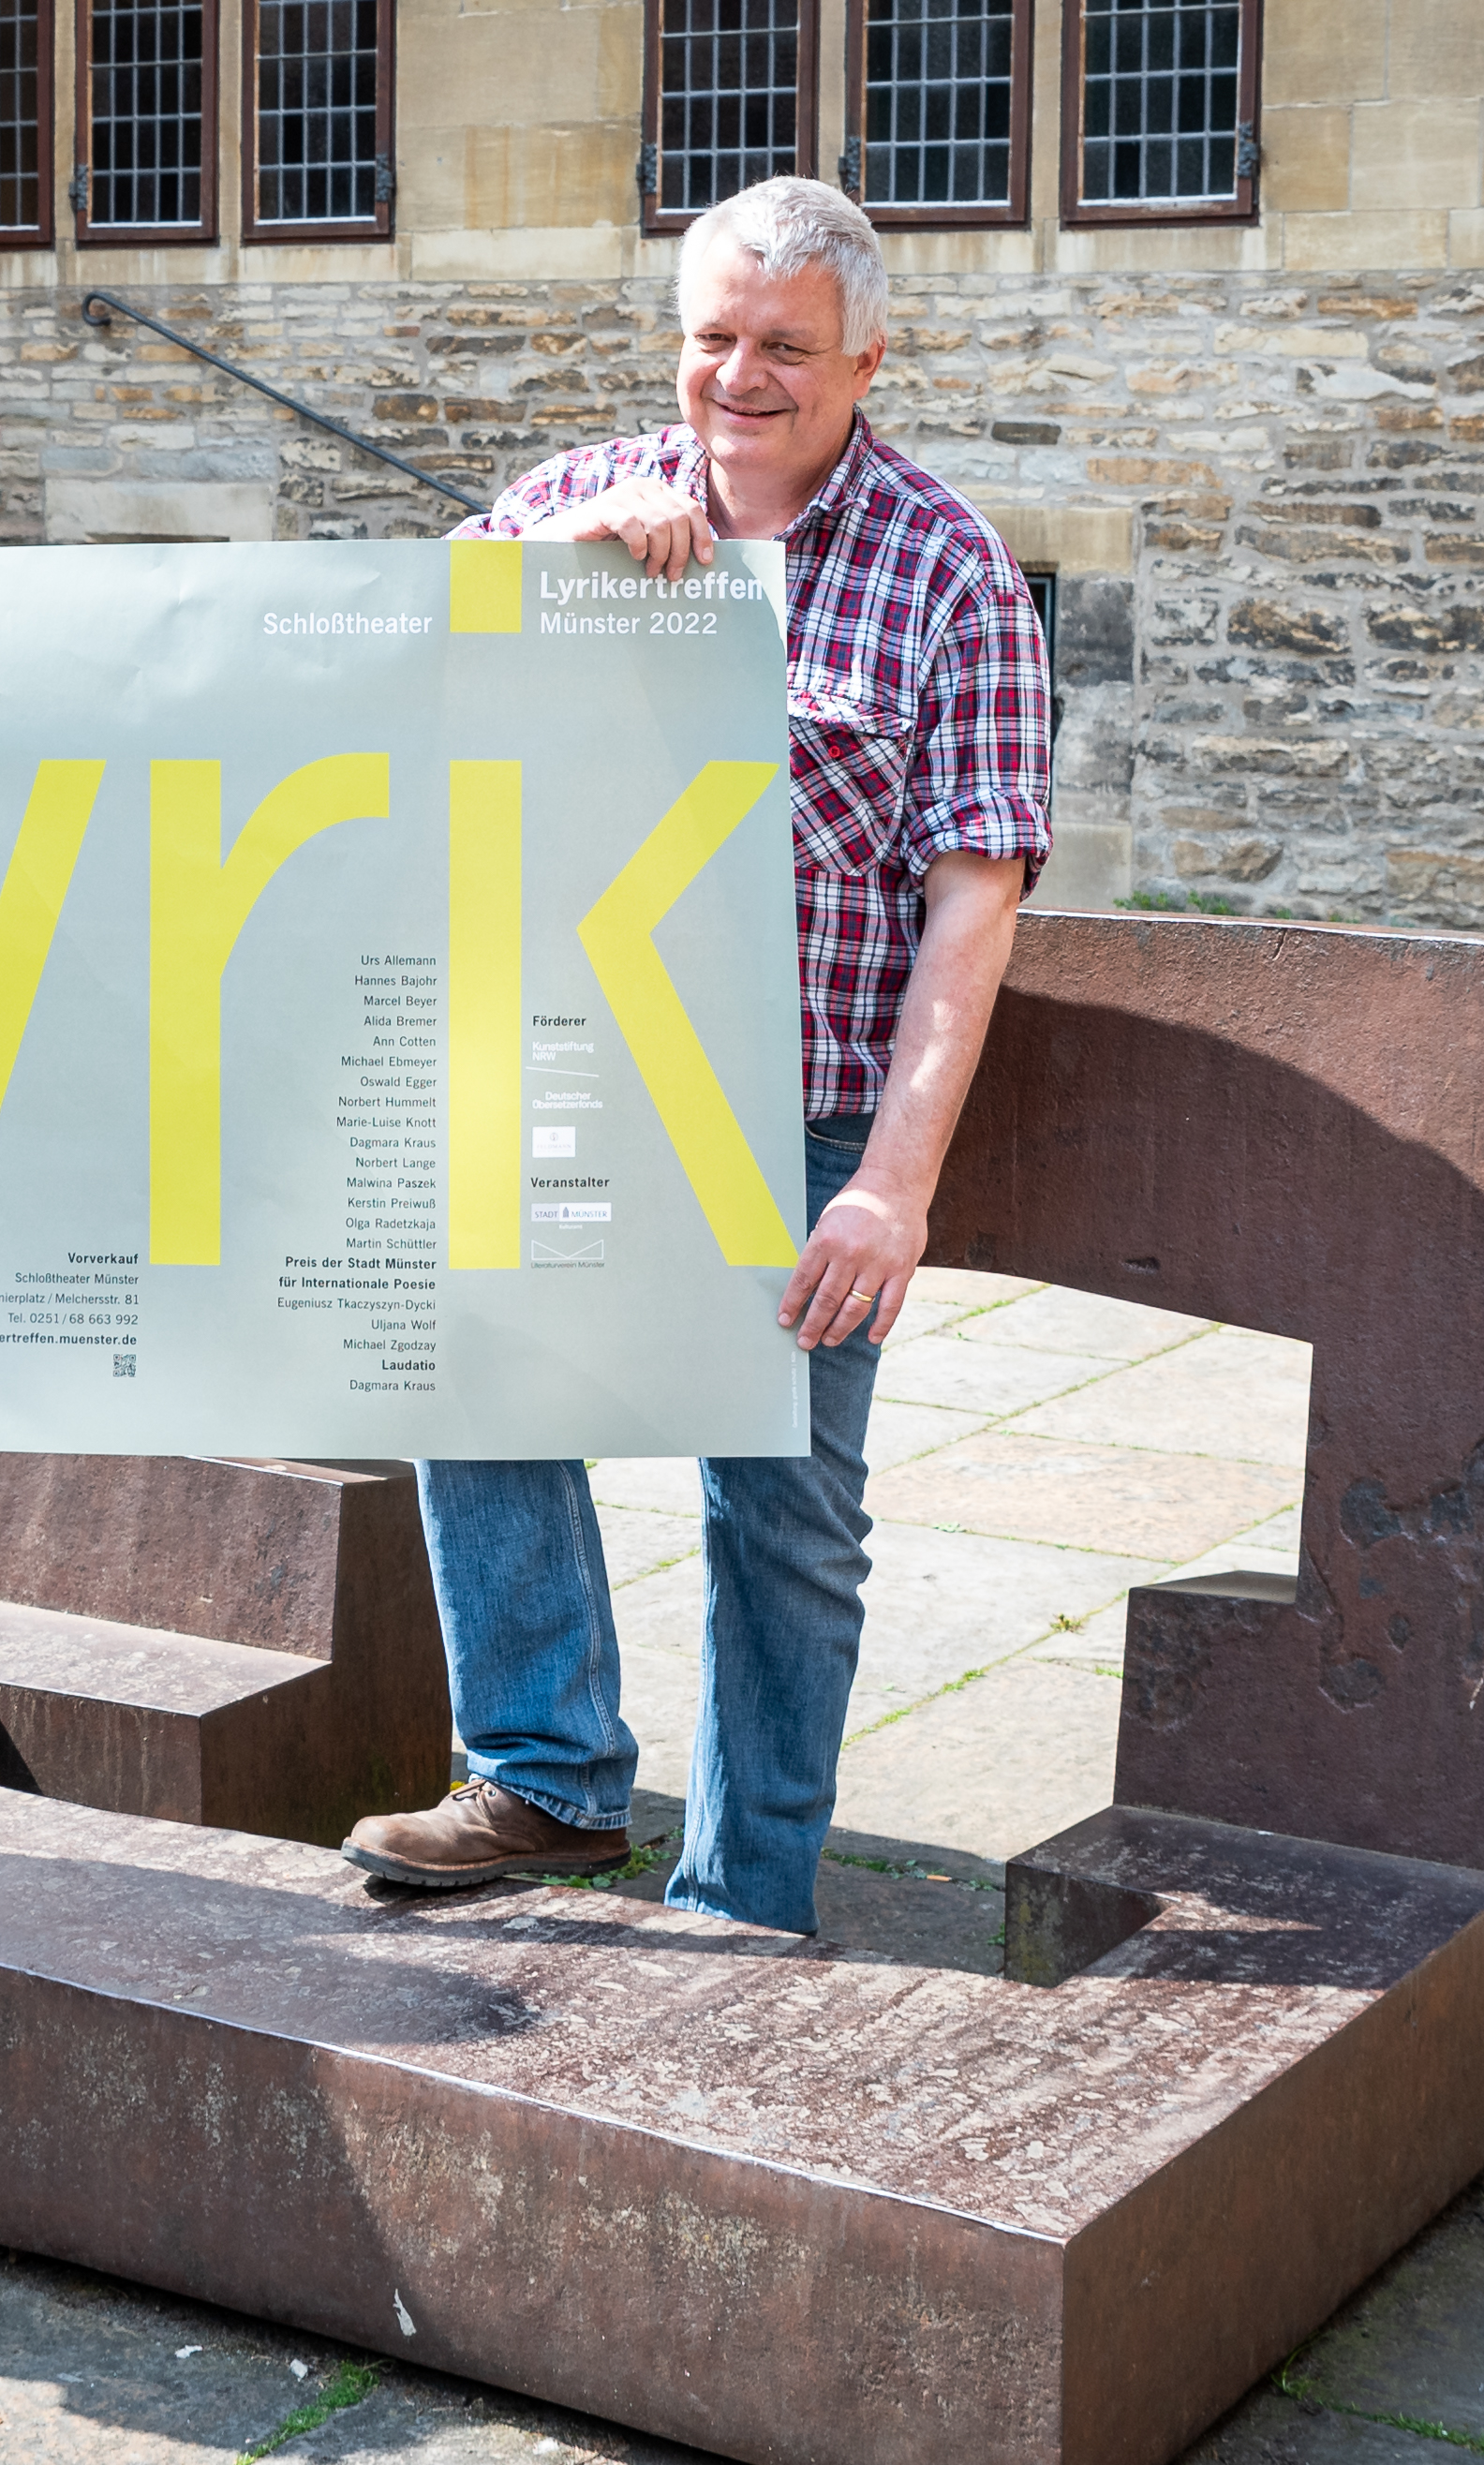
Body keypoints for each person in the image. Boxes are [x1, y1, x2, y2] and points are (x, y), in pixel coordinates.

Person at [341, 176, 1051, 1932]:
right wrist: (550, 586)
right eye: (711, 339)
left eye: (784, 348)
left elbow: (974, 905)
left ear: (867, 358)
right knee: (469, 1376)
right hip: (570, 1073)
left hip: (797, 1113)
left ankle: (748, 1892)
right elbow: (376, 699)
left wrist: (894, 1185)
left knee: (785, 1508)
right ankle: (546, 1778)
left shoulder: (949, 568)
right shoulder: (563, 503)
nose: (740, 378)